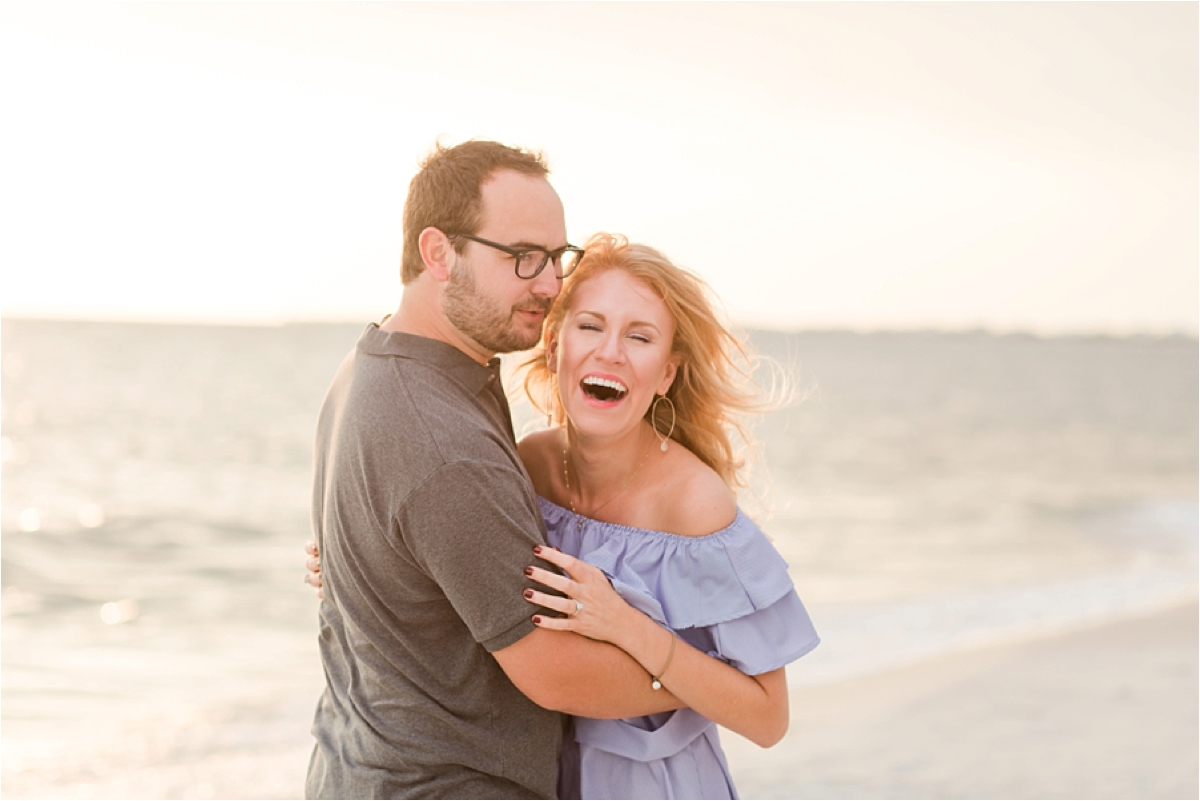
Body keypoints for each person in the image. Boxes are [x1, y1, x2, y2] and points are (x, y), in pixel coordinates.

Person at [309, 228, 821, 798]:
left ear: (667, 374)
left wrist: (630, 629)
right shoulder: (529, 466)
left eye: (640, 337)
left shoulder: (694, 505)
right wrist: (364, 563)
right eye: (590, 326)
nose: (610, 352)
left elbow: (768, 717)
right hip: (540, 775)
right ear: (554, 347)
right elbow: (468, 573)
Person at [305, 140, 686, 800]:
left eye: (557, 258)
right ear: (437, 253)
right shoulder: (444, 443)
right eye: (522, 258)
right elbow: (554, 671)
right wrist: (715, 674)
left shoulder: (374, 364)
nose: (550, 283)